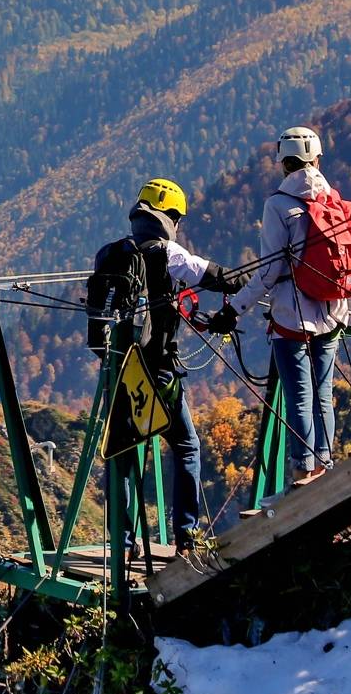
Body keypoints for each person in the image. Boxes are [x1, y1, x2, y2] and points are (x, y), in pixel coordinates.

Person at [92, 176, 244, 555]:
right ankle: (186, 536)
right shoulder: (169, 253)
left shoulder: (110, 254)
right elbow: (215, 277)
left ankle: (123, 543)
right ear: (170, 216)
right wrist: (253, 280)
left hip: (118, 370)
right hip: (158, 370)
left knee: (122, 452)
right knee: (186, 445)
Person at [226, 128, 351, 487]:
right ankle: (324, 467)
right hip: (334, 311)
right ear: (317, 160)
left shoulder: (279, 206)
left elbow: (269, 271)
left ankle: (303, 473)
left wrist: (234, 309)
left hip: (292, 316)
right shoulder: (333, 201)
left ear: (284, 164)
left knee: (299, 398)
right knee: (323, 394)